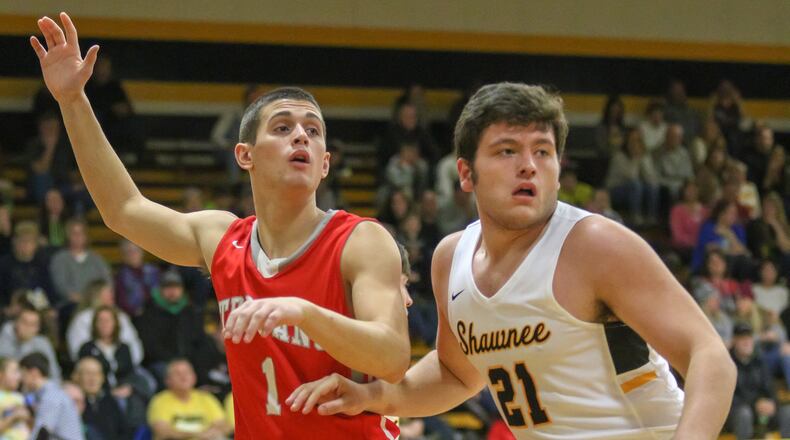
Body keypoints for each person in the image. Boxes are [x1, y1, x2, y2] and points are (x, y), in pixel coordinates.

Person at [31, 14, 409, 439]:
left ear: (325, 164)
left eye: (313, 130)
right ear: (245, 155)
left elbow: (393, 357)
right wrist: (72, 101)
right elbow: (123, 208)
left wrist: (304, 314)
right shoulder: (222, 239)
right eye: (282, 127)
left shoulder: (361, 240)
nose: (301, 136)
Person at [288, 82, 736, 438]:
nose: (529, 165)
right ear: (466, 173)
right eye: (507, 150)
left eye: (542, 151)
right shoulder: (451, 258)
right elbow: (456, 374)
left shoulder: (595, 245)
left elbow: (710, 356)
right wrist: (373, 396)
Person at [147, 359, 231, 440]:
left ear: (194, 376)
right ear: (167, 380)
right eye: (177, 373)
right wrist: (197, 434)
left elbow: (224, 425)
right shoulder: (160, 401)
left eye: (187, 372)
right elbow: (162, 431)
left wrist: (213, 432)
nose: (183, 376)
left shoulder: (206, 398)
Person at [19, 352, 84, 440]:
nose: (21, 379)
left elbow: (42, 433)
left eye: (23, 374)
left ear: (34, 373)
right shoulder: (46, 394)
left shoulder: (51, 396)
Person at [0, 358, 31, 440]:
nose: (19, 377)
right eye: (14, 372)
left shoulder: (20, 397)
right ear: (1, 374)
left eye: (19, 372)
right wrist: (14, 417)